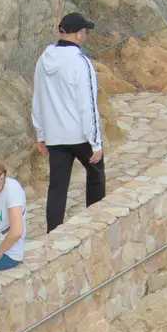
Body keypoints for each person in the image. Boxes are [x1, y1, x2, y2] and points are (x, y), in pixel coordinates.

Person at [31, 12, 106, 233]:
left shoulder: (43, 60)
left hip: (55, 135)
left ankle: (53, 232)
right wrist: (96, 142)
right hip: (79, 135)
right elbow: (88, 105)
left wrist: (41, 133)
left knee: (57, 187)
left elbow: (38, 98)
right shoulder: (81, 62)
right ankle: (95, 224)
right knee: (96, 175)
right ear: (80, 34)